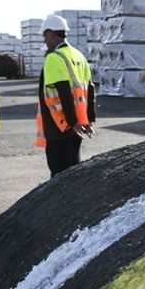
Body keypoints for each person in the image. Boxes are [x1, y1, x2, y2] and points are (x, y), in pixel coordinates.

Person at [36, 14, 96, 177]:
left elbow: (63, 92)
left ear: (51, 34)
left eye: (45, 36)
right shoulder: (79, 56)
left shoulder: (54, 58)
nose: (44, 40)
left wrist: (71, 121)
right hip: (78, 126)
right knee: (73, 172)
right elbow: (89, 89)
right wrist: (89, 119)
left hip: (60, 127)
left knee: (58, 174)